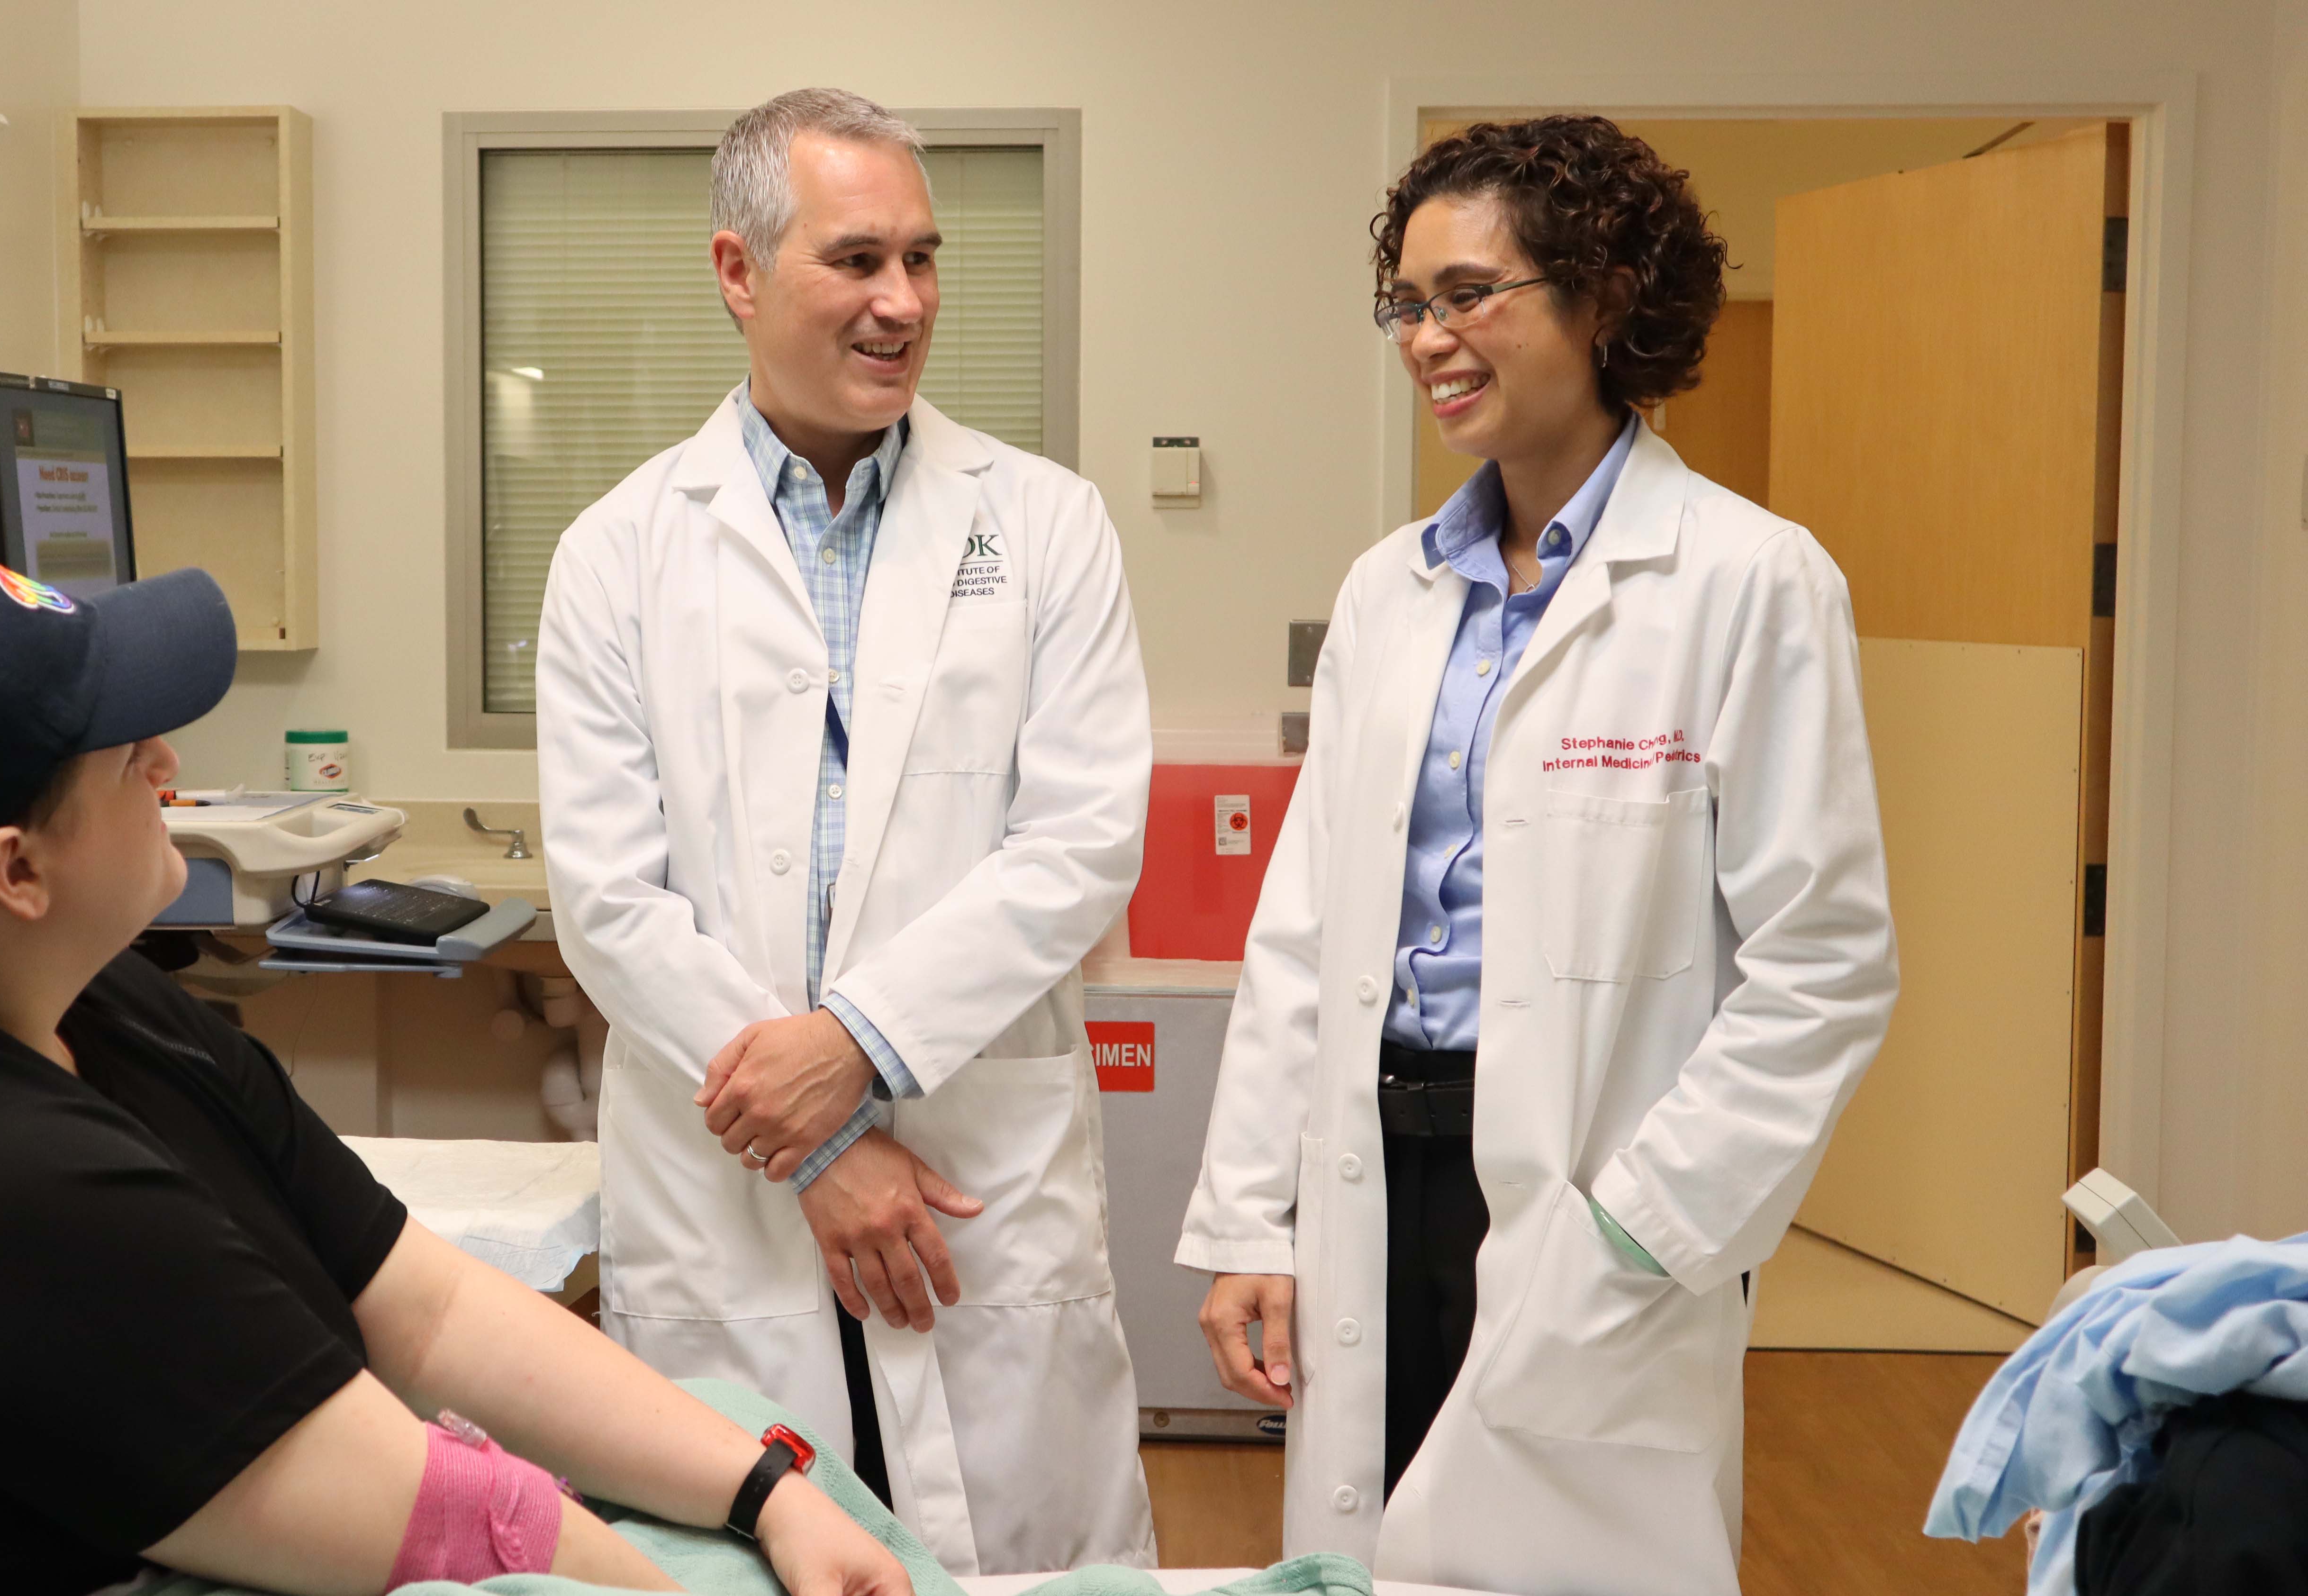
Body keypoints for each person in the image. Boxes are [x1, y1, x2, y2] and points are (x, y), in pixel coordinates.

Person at [0, 563, 915, 1596]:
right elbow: (462, 1523)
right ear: (15, 872)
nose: (174, 768)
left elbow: (429, 1308)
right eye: (129, 757)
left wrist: (768, 1494)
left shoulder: (88, 997)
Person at [1178, 116, 1899, 1596]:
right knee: (1367, 1558)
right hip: (1373, 1167)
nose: (1430, 337)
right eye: (1409, 303)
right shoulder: (1391, 591)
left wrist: (1645, 1227)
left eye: (1471, 293)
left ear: (1606, 295)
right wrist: (1257, 1213)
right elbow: (1306, 931)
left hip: (1595, 1185)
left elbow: (1823, 965)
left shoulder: (1748, 584)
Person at [538, 88, 1157, 1576]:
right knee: (750, 1542)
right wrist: (821, 1147)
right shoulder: (620, 551)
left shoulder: (1047, 526)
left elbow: (1077, 846)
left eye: (926, 261)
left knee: (1012, 1556)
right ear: (739, 273)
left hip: (969, 1179)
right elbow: (612, 899)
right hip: (734, 1193)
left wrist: (859, 1051)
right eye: (858, 260)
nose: (904, 303)